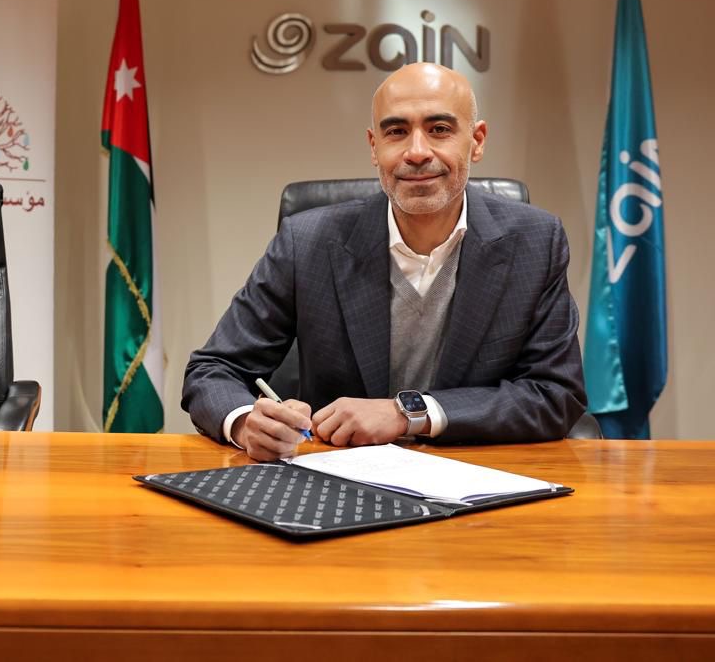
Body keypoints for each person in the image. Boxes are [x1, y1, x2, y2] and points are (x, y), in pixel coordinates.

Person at [183, 63, 586, 461]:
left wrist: (408, 413)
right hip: (337, 477)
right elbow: (213, 369)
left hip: (481, 472)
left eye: (439, 129)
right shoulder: (306, 242)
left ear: (477, 141)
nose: (417, 152)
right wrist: (244, 423)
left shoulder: (536, 241)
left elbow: (556, 394)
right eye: (396, 132)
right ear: (374, 147)